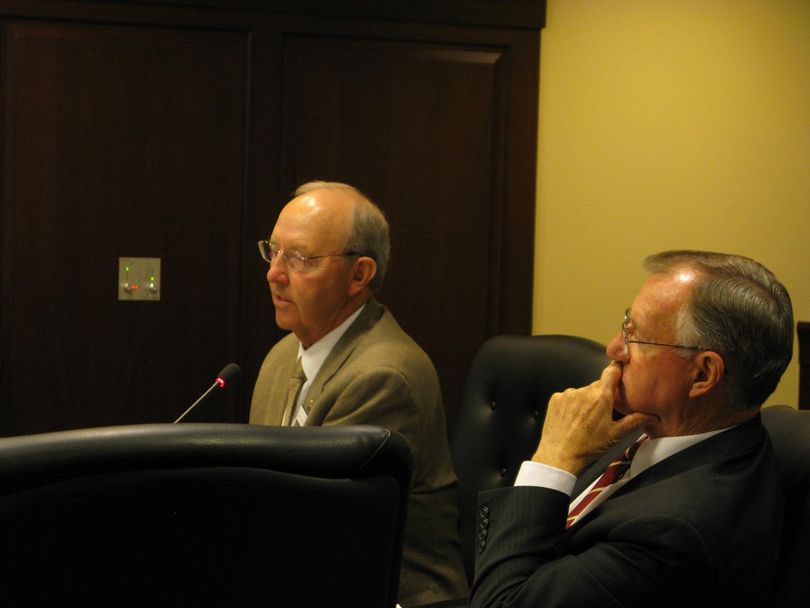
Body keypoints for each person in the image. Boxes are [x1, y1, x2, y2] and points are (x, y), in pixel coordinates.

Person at [470, 250, 793, 608]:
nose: (612, 349)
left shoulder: (675, 532)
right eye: (627, 323)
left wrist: (552, 459)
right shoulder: (649, 427)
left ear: (702, 374)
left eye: (635, 336)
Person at [250, 181, 469, 606]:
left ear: (359, 274)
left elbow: (317, 531)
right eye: (273, 250)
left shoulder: (382, 377)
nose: (274, 272)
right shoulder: (281, 357)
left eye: (299, 258)